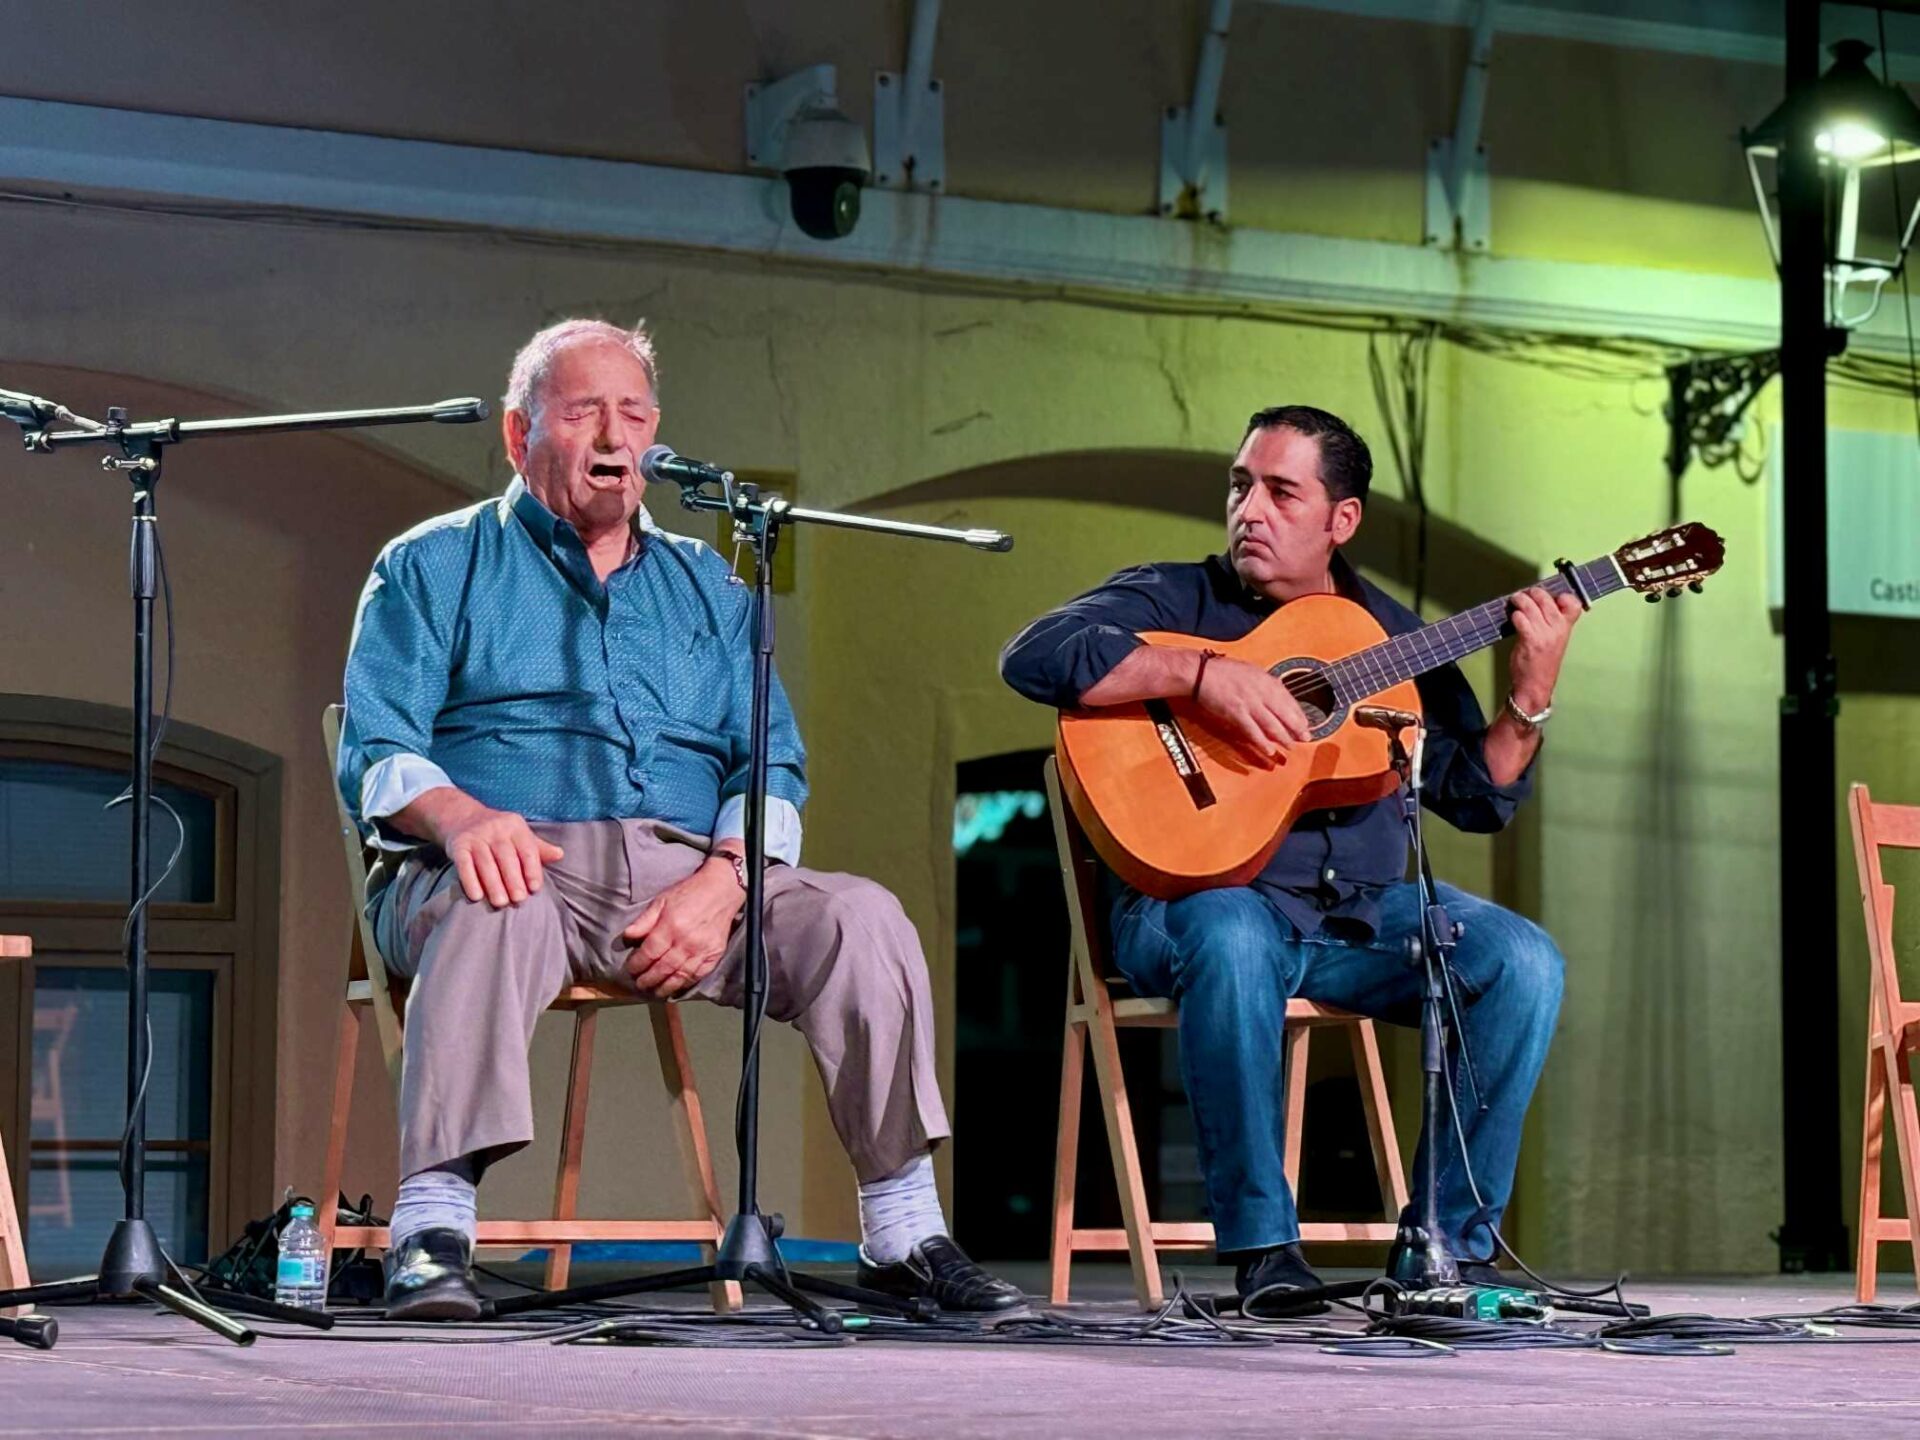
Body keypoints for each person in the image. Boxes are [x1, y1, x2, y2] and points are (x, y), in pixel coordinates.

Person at [337, 317, 1022, 1320]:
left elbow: (772, 760)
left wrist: (726, 879)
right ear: (521, 435)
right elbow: (377, 750)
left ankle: (905, 1231)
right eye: (583, 413)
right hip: (500, 860)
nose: (615, 437)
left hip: (691, 880)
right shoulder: (436, 563)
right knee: (501, 895)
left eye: (633, 414)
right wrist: (465, 819)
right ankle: (432, 1229)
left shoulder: (712, 584)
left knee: (860, 915)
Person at [999, 405, 1580, 1306]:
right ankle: (1266, 1251)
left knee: (1523, 961)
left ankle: (1445, 1250)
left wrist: (1530, 697)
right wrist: (1200, 674)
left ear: (1340, 521)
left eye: (1280, 492)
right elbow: (1034, 656)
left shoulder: (1390, 638)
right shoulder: (1176, 597)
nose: (1250, 511)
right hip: (1194, 904)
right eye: (1241, 486)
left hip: (1355, 919)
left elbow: (1476, 797)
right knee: (1234, 934)